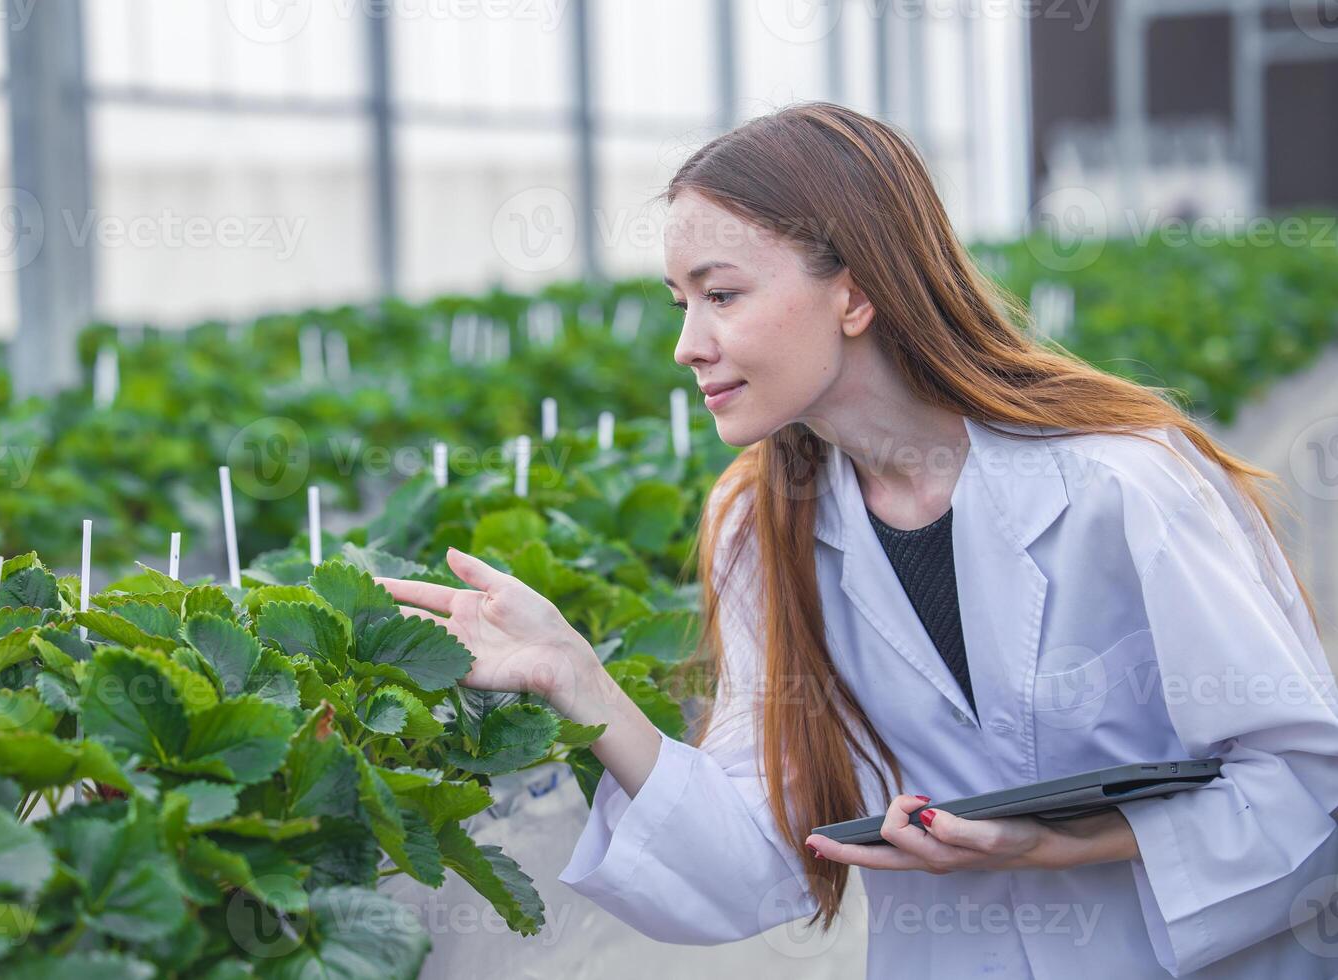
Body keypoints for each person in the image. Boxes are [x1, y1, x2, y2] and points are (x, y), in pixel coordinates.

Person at [376, 103, 1338, 978]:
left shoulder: (1120, 483)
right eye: (681, 303)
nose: (686, 345)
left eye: (722, 295)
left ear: (856, 293)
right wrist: (579, 680)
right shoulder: (759, 525)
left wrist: (1061, 841)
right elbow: (754, 854)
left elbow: (1302, 784)